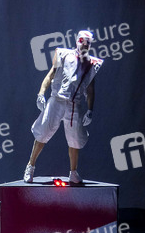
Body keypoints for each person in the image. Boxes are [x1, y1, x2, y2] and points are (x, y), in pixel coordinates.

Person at [24, 30, 102, 184]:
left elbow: (90, 88)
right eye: (82, 41)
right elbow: (51, 74)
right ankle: (30, 166)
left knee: (75, 139)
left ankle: (73, 172)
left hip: (74, 104)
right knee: (43, 132)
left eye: (88, 42)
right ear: (77, 41)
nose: (85, 44)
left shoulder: (92, 64)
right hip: (57, 99)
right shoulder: (64, 54)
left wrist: (90, 110)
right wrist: (41, 93)